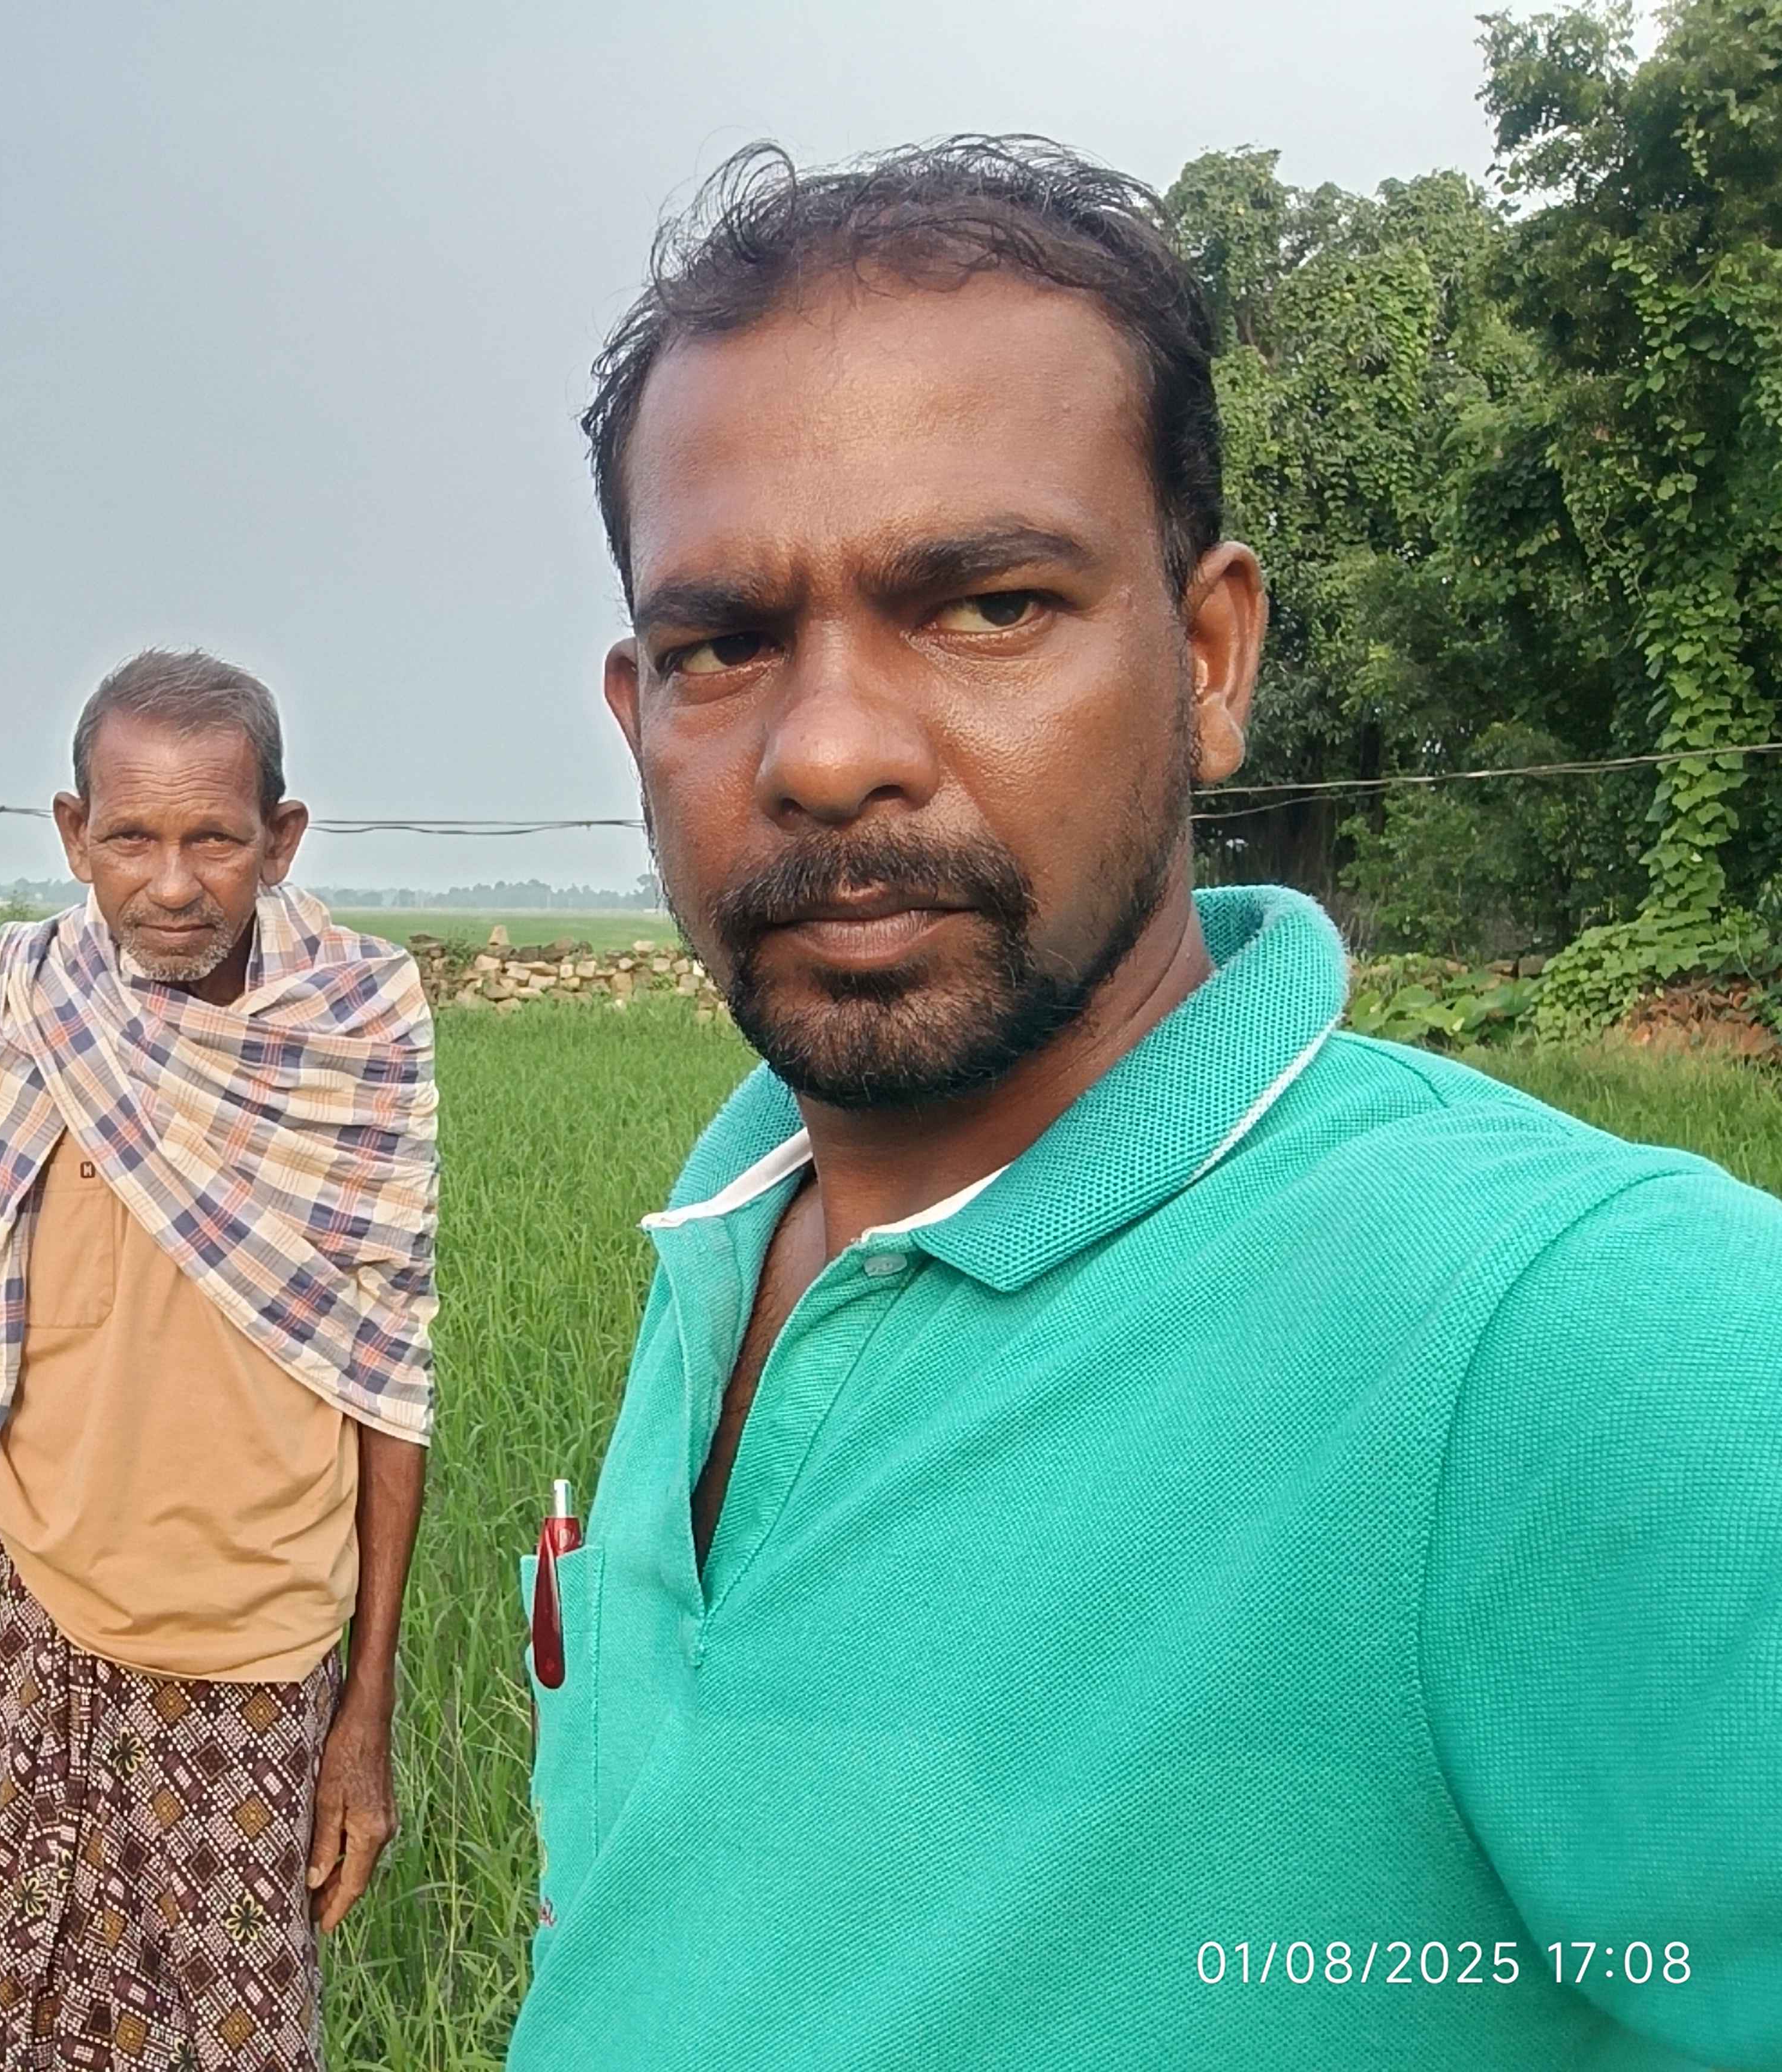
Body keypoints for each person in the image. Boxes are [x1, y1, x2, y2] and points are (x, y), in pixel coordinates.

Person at [507, 139, 1782, 2071]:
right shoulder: (733, 1223)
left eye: (989, 604)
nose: (826, 751)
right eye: (726, 645)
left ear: (1208, 657)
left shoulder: (1587, 1334)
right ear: (638, 713)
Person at [0, 649, 438, 2072]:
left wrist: (367, 1715)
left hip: (257, 1650)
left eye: (215, 838)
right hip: (38, 1629)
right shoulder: (31, 1017)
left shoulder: (356, 1035)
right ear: (73, 835)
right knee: (24, 2031)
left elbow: (391, 1382)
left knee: (238, 2042)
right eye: (132, 838)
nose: (172, 883)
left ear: (281, 840)